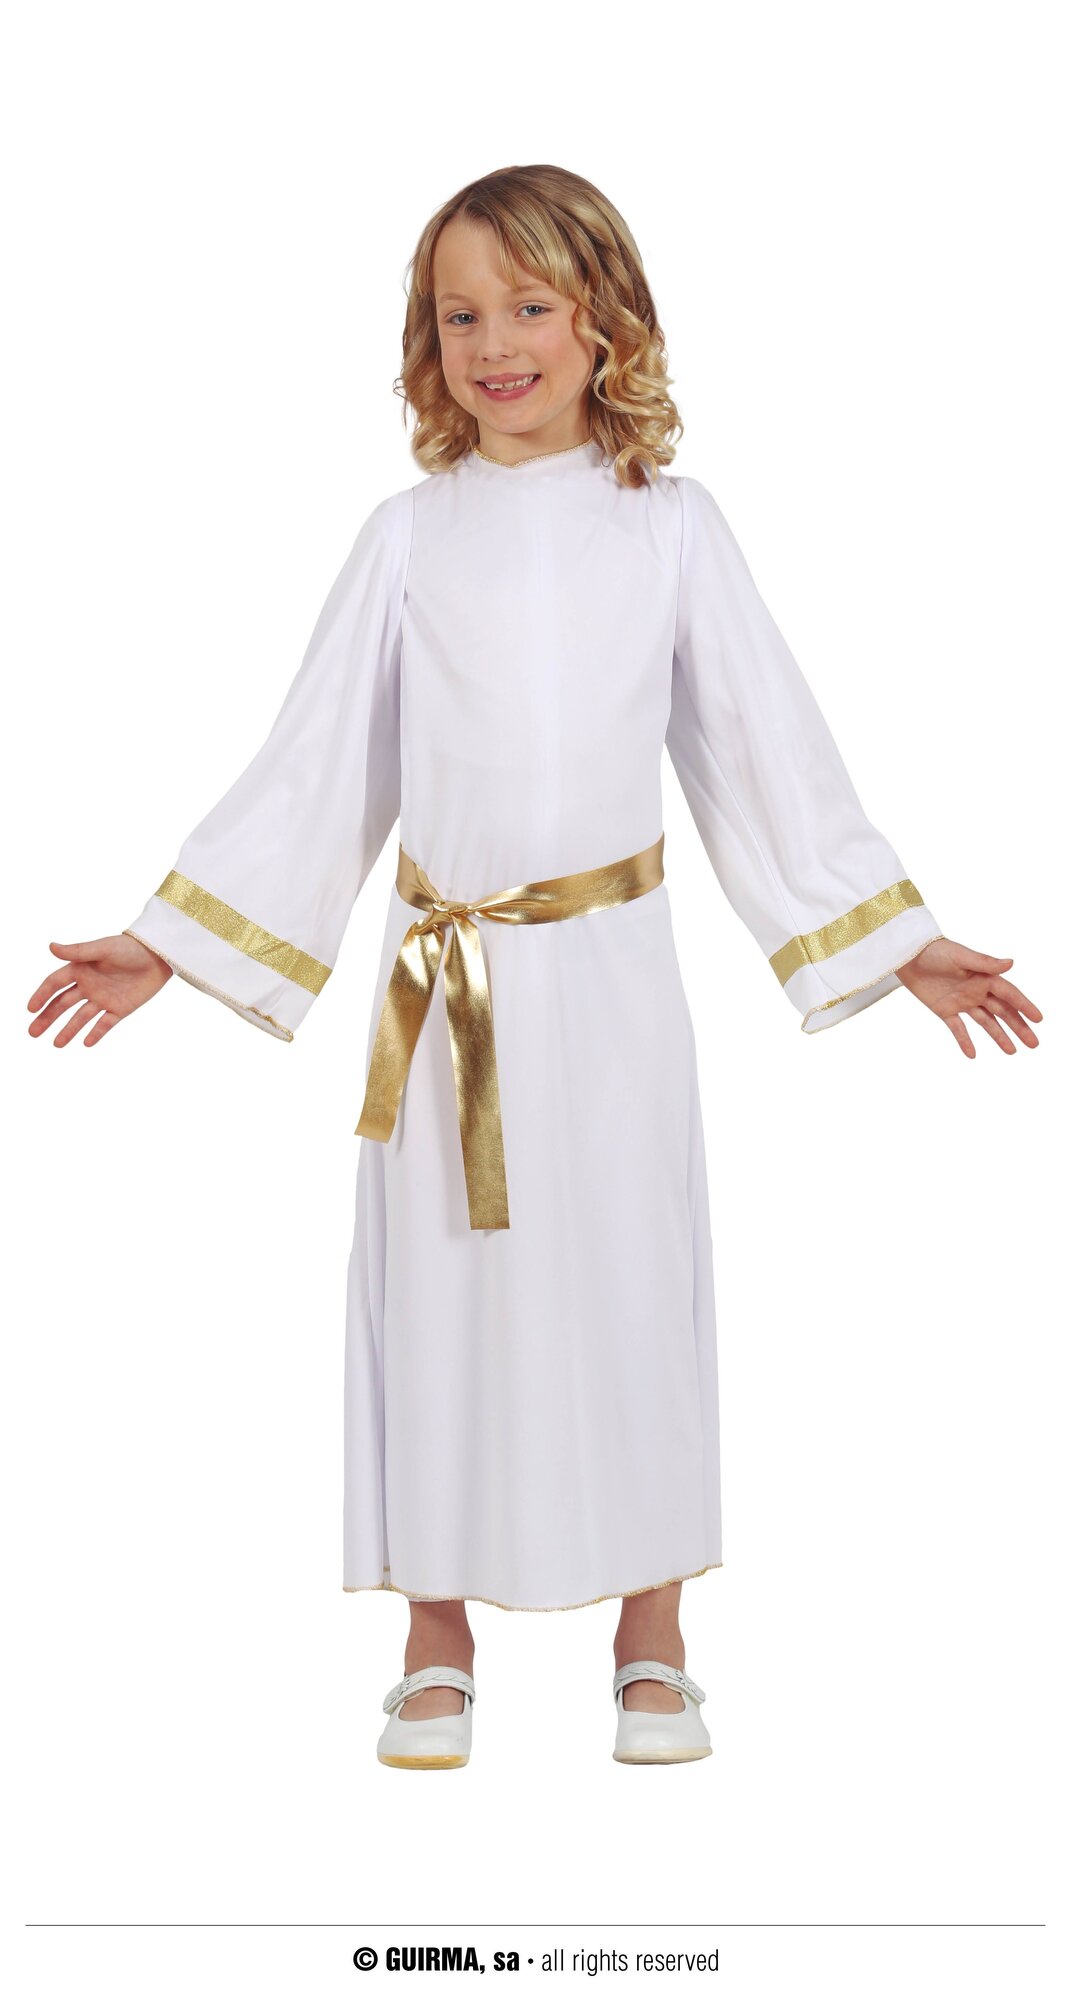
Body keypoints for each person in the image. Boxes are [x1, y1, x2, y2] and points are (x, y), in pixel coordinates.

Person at [28, 164, 1042, 1771]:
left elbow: (765, 748)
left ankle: (654, 1635)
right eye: (458, 316)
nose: (494, 345)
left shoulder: (674, 528)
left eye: (528, 307)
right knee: (442, 1290)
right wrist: (174, 938)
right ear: (424, 345)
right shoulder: (408, 539)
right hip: (450, 997)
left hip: (614, 986)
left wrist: (893, 937)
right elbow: (319, 760)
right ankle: (435, 1638)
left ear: (604, 319)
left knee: (632, 1282)